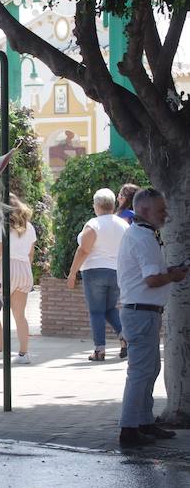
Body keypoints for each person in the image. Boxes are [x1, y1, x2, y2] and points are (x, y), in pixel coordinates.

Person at [115, 189, 188, 447]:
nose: (165, 214)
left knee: (148, 370)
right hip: (141, 312)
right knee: (140, 372)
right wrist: (174, 276)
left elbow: (150, 275)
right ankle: (129, 428)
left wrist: (168, 272)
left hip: (142, 311)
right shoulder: (143, 238)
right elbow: (151, 279)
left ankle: (143, 422)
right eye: (161, 209)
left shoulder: (141, 234)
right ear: (145, 211)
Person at [66, 188, 129, 361]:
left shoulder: (94, 224)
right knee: (109, 309)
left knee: (96, 312)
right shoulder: (123, 225)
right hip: (116, 271)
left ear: (97, 205)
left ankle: (99, 350)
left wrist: (72, 273)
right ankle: (125, 337)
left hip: (94, 271)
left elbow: (84, 249)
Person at [0, 195, 37, 364]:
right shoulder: (29, 227)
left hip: (4, 267)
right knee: (19, 315)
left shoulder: (1, 225)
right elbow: (31, 253)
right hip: (24, 268)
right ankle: (24, 354)